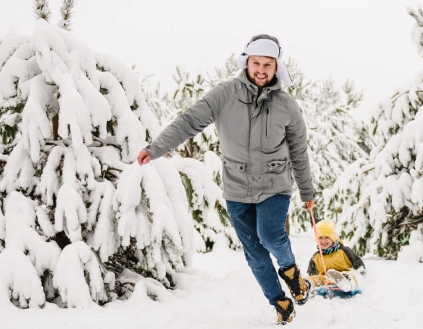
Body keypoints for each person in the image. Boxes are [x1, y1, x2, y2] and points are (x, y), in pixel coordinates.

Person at [137, 34, 314, 325]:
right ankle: (280, 302)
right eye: (256, 62)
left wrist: (307, 192)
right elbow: (188, 121)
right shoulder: (225, 94)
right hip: (236, 188)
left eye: (267, 64)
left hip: (274, 186)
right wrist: (155, 148)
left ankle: (291, 271)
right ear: (246, 62)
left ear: (276, 67)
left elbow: (299, 151)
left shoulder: (286, 105)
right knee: (254, 252)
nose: (261, 69)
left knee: (270, 236)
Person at [306, 220, 365, 292]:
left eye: (327, 237)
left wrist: (361, 275)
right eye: (320, 238)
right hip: (325, 280)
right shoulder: (316, 257)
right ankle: (307, 285)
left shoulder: (344, 251)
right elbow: (311, 273)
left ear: (333, 237)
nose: (323, 241)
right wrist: (313, 279)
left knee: (348, 274)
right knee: (316, 278)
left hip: (345, 276)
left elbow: (359, 265)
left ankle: (343, 282)